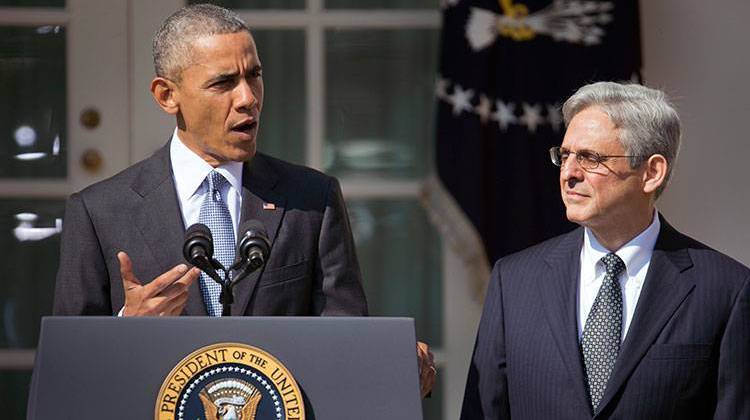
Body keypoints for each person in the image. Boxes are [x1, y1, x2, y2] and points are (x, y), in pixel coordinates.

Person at [52, 4, 435, 397]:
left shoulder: (311, 200)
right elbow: (64, 377)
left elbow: (346, 341)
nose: (248, 98)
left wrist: (394, 365)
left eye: (254, 76)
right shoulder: (99, 211)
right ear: (167, 95)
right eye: (223, 83)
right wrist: (125, 328)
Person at [460, 81, 749, 419]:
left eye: (590, 158)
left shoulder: (727, 289)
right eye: (564, 155)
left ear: (651, 172)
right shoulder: (513, 282)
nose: (568, 173)